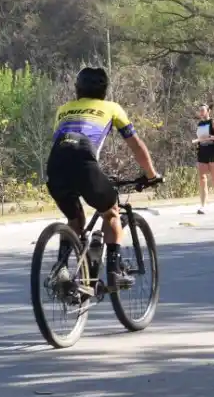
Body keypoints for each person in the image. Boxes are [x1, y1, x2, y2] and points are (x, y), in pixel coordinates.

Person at [46, 66, 160, 289]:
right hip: (85, 165)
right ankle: (115, 271)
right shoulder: (112, 108)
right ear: (104, 91)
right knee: (111, 211)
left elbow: (65, 145)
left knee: (75, 218)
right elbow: (135, 145)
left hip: (55, 166)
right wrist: (151, 174)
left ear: (77, 90)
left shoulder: (64, 110)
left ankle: (62, 268)